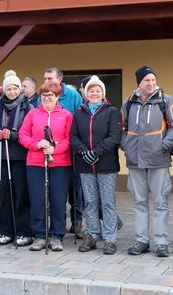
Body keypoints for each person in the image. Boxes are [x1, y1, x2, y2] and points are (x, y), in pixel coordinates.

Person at [121, 65, 173, 257]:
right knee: (139, 202)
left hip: (159, 159)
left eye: (153, 80)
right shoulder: (129, 103)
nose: (151, 83)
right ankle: (141, 241)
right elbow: (122, 128)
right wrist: (126, 146)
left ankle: (161, 242)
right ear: (139, 83)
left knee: (160, 202)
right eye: (146, 80)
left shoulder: (166, 101)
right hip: (135, 161)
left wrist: (166, 144)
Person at [19, 81, 73, 252]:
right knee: (37, 200)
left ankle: (57, 235)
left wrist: (55, 148)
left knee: (58, 200)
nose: (47, 98)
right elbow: (23, 135)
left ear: (57, 96)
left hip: (60, 164)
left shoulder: (66, 115)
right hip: (35, 163)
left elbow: (69, 139)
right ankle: (40, 235)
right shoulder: (32, 114)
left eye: (51, 95)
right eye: (44, 96)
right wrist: (36, 144)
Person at [70, 76, 121, 255]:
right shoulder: (78, 113)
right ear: (85, 93)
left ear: (102, 93)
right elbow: (73, 137)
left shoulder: (112, 111)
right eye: (91, 90)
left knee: (107, 203)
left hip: (106, 165)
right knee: (90, 202)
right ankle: (92, 234)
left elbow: (114, 136)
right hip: (85, 165)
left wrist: (96, 152)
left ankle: (110, 239)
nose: (94, 93)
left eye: (97, 90)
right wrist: (85, 152)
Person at [0, 70, 34, 247]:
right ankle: (6, 231)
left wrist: (12, 134)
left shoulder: (27, 107)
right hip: (2, 157)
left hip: (20, 157)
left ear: (20, 90)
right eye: (9, 89)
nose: (12, 92)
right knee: (5, 196)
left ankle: (23, 231)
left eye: (15, 88)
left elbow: (29, 130)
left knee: (21, 194)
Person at [42, 67, 84, 239]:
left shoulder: (73, 96)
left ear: (60, 79)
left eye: (50, 78)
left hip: (70, 148)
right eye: (45, 78)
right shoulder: (44, 95)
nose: (47, 81)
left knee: (75, 187)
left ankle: (77, 221)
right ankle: (54, 223)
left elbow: (80, 118)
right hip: (50, 153)